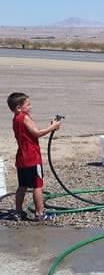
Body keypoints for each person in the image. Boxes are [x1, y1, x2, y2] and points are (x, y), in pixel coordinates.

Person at [7, 92, 61, 222]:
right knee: (37, 185)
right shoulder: (24, 117)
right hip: (32, 158)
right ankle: (40, 214)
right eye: (28, 104)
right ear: (19, 108)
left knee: (22, 185)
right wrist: (52, 127)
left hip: (21, 159)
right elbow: (36, 133)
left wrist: (51, 127)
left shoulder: (15, 118)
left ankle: (18, 212)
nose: (30, 106)